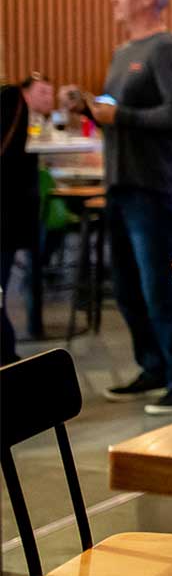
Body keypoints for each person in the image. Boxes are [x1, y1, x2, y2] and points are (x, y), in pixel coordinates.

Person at [65, 0, 172, 413]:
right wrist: (89, 106)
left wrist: (118, 116)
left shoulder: (167, 49)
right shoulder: (124, 52)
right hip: (120, 184)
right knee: (126, 286)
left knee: (158, 286)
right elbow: (117, 114)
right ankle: (152, 367)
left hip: (155, 187)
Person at [1, 72, 54, 360]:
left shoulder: (10, 102)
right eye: (44, 92)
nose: (50, 98)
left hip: (9, 214)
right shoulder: (11, 100)